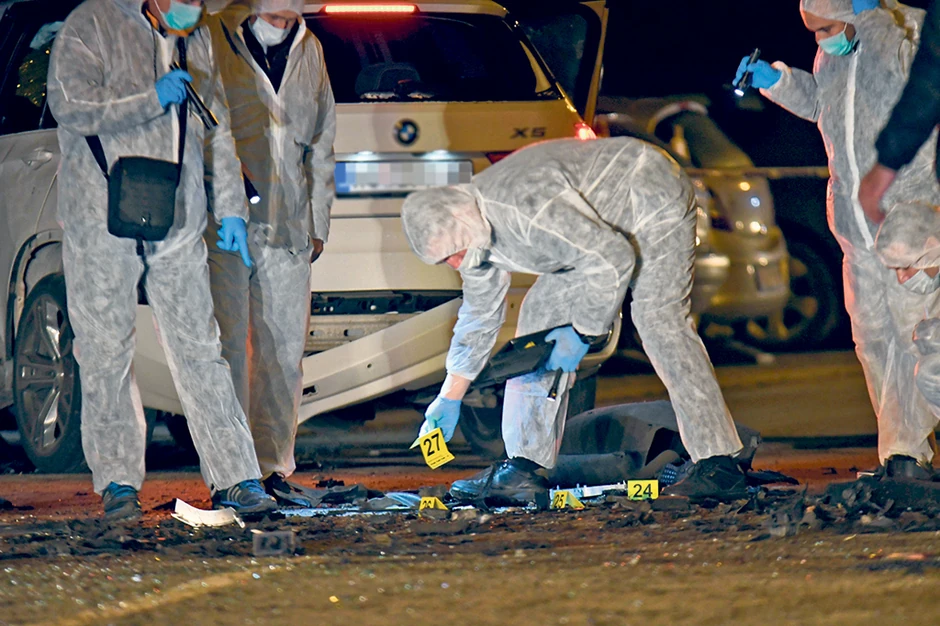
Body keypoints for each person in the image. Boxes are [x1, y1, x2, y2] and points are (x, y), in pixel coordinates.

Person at [401, 137, 747, 505]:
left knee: (659, 319)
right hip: (596, 229)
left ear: (464, 223)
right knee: (539, 317)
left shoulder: (524, 208)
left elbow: (612, 258)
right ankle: (523, 467)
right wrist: (449, 395)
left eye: (455, 254)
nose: (456, 264)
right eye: (446, 261)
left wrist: (584, 333)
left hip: (649, 192)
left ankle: (719, 462)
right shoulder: (472, 236)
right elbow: (478, 315)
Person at [47, 0, 276, 521]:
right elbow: (70, 103)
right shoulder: (92, 23)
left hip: (178, 214)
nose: (192, 7)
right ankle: (118, 484)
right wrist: (148, 99)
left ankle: (236, 476)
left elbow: (216, 128)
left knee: (202, 348)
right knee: (105, 350)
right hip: (102, 213)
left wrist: (231, 209)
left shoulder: (197, 39)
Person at [734, 0, 940, 475]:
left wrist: (873, 22)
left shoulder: (908, 35)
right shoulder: (835, 54)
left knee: (911, 338)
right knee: (872, 341)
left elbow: (911, 88)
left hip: (906, 217)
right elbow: (822, 105)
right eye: (814, 31)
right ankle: (901, 454)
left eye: (826, 27)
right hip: (854, 228)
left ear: (854, 10)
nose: (821, 40)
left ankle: (906, 454)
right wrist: (777, 80)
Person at [205, 0, 335, 505]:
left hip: (288, 222)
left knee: (283, 352)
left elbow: (321, 140)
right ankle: (232, 473)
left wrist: (317, 222)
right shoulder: (215, 36)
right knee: (228, 350)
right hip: (225, 220)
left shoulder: (309, 48)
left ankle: (272, 469)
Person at [859, 0, 940, 222]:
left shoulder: (903, 26)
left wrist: (887, 162)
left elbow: (930, 80)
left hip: (909, 185)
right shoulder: (826, 65)